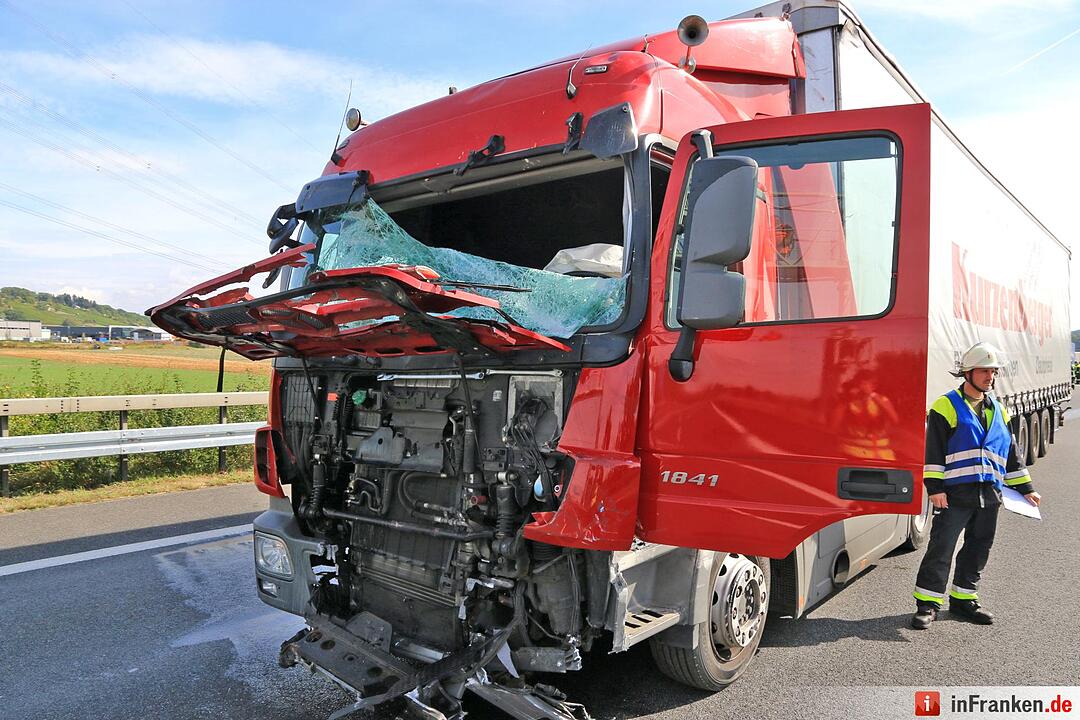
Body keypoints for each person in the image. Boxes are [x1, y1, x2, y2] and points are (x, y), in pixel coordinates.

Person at [911, 342, 1041, 629]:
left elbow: (1011, 453)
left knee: (978, 547)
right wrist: (935, 489)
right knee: (942, 547)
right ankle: (928, 604)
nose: (990, 377)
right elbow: (933, 452)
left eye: (993, 372)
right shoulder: (945, 405)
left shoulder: (999, 410)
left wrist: (1026, 488)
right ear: (967, 373)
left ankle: (963, 601)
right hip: (955, 493)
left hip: (989, 494)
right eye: (984, 371)